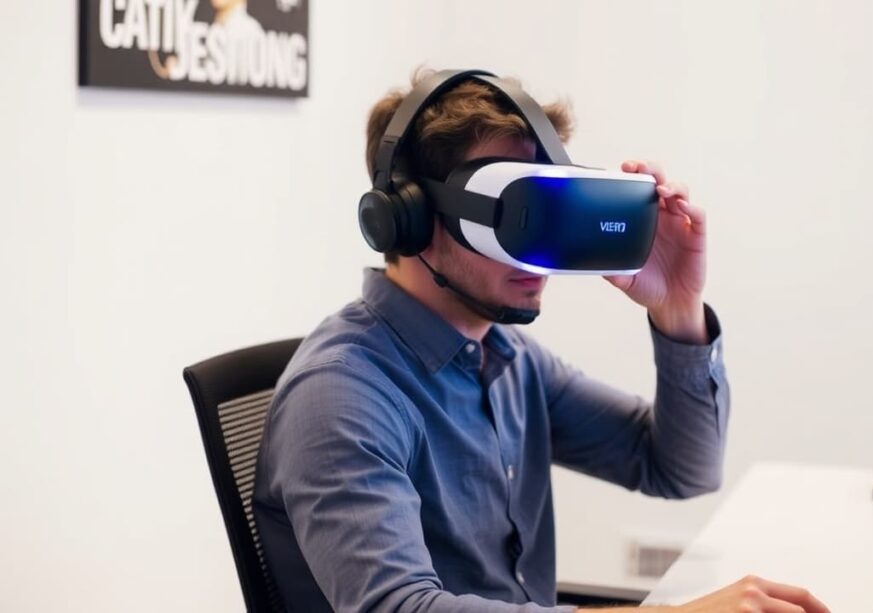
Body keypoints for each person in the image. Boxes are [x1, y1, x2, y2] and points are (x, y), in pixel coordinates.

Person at [251, 69, 829, 613]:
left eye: (552, 211)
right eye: (514, 216)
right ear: (411, 218)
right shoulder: (341, 394)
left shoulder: (505, 357)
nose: (543, 253)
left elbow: (682, 468)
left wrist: (678, 311)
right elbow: (400, 607)